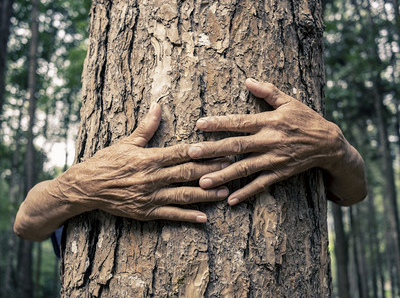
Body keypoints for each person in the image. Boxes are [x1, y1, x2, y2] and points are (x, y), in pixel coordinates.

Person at [13, 79, 367, 242]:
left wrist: (336, 146)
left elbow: (352, 193)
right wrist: (83, 185)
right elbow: (26, 223)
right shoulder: (92, 166)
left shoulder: (306, 139)